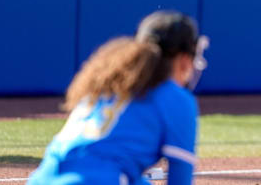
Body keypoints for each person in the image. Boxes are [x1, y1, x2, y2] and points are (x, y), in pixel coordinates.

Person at [28, 10, 209, 185]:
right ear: (184, 59)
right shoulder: (177, 99)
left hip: (43, 177)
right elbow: (180, 177)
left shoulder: (109, 85)